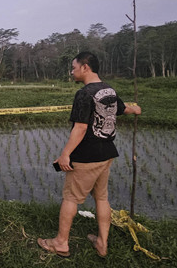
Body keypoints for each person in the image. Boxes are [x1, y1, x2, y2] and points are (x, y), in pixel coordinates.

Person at [37, 52, 142, 258]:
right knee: (102, 198)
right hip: (107, 153)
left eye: (74, 67)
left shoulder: (84, 94)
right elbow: (122, 109)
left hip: (86, 156)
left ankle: (60, 243)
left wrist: (65, 154)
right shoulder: (108, 89)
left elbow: (81, 128)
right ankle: (102, 243)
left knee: (70, 198)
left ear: (85, 67)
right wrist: (135, 109)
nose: (71, 71)